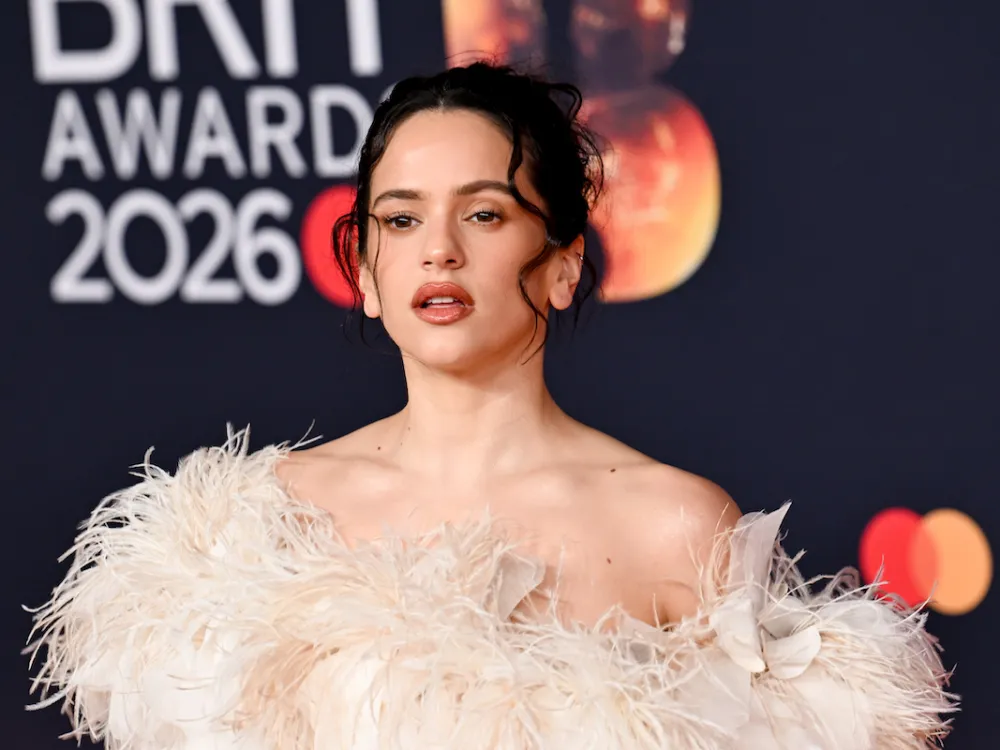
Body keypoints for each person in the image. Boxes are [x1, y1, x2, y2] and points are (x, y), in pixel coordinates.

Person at [26, 62, 956, 749]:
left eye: (483, 213)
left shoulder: (673, 527)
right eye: (400, 219)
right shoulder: (257, 523)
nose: (438, 250)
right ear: (366, 273)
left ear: (562, 266)